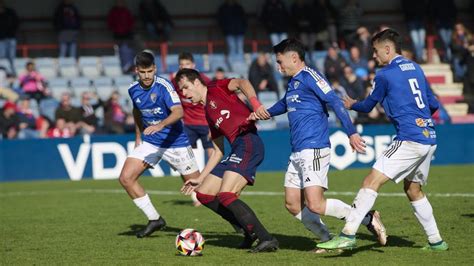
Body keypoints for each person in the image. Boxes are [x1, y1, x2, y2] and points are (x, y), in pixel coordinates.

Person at [317, 29, 448, 251]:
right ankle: (436, 241)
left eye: (376, 52)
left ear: (388, 49)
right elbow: (433, 104)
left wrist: (351, 104)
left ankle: (347, 234)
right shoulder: (415, 67)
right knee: (413, 190)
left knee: (371, 181)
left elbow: (368, 106)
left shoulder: (385, 74)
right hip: (429, 137)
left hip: (409, 139)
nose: (374, 57)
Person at [251, 38, 386, 252]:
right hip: (297, 150)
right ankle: (326, 238)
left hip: (314, 147)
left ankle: (366, 218)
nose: (278, 66)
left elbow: (334, 101)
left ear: (294, 58)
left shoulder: (310, 76)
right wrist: (264, 113)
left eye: (280, 61)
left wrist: (351, 132)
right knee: (292, 204)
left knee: (315, 203)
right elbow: (285, 104)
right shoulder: (294, 82)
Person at [176, 68, 279, 253]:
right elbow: (217, 151)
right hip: (236, 148)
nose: (183, 94)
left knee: (226, 195)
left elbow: (242, 82)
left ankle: (266, 238)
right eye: (181, 90)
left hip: (248, 142)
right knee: (204, 193)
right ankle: (248, 230)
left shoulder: (216, 87)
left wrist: (255, 104)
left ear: (197, 82)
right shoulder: (208, 113)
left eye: (185, 88)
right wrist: (200, 178)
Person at [118, 51, 200, 238]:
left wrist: (160, 125)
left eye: (150, 71)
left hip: (175, 142)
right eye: (142, 72)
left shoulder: (164, 85)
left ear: (155, 68)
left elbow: (179, 112)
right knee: (126, 178)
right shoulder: (133, 89)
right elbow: (137, 111)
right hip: (151, 143)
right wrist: (138, 136)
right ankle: (155, 219)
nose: (147, 76)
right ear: (136, 71)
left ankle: (239, 223)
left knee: (203, 192)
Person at [0, 0, 19, 75]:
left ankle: (13, 72)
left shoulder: (10, 12)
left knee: (11, 57)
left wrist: (13, 32)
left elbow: (16, 22)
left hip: (11, 37)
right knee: (2, 56)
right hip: (0, 39)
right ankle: (5, 73)